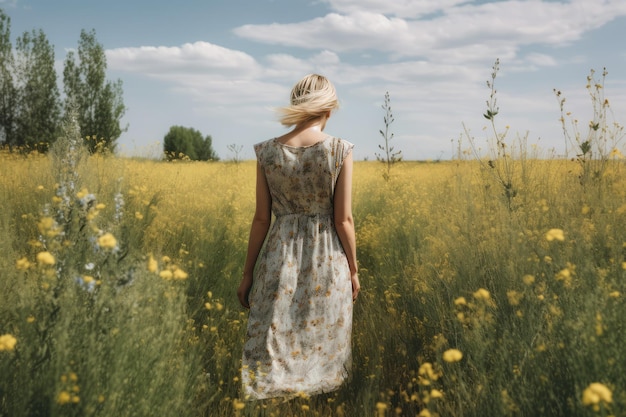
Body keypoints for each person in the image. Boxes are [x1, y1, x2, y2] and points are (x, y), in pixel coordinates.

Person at [237, 74, 360, 400]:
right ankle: (321, 404)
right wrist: (354, 269)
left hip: (280, 258)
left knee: (275, 342)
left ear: (296, 104)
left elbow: (261, 219)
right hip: (328, 260)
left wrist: (248, 273)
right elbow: (344, 219)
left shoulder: (267, 152)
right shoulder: (339, 150)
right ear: (329, 109)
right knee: (323, 346)